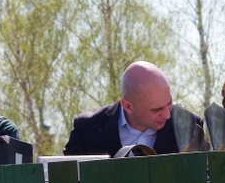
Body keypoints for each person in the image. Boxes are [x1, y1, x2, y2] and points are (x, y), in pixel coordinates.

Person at [63, 61, 201, 156]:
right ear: (128, 106)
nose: (167, 115)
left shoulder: (190, 126)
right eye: (156, 109)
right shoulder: (86, 129)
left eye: (169, 103)